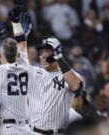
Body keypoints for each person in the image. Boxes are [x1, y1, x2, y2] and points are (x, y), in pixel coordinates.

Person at [10, 6, 83, 135]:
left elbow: (76, 86)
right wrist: (17, 26)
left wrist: (59, 57)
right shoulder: (34, 72)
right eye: (41, 52)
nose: (43, 55)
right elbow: (20, 53)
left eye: (47, 51)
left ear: (57, 53)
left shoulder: (69, 76)